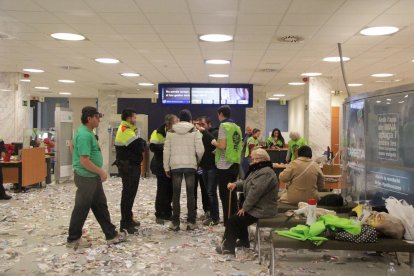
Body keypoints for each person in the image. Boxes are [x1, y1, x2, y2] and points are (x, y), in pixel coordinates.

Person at [67, 106, 126, 248]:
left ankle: (111, 234)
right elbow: (84, 160)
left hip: (91, 176)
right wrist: (101, 171)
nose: (99, 119)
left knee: (100, 205)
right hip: (86, 177)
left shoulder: (87, 132)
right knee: (81, 207)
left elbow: (71, 146)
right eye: (97, 117)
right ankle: (73, 238)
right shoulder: (84, 135)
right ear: (89, 118)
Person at [216, 148, 278, 254]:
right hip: (256, 206)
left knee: (233, 220)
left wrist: (245, 207)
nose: (253, 161)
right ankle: (244, 241)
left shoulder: (266, 172)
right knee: (238, 217)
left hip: (263, 209)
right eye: (252, 159)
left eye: (256, 159)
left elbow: (255, 192)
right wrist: (235, 184)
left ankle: (227, 248)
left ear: (264, 159)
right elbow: (247, 183)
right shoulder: (258, 169)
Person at [164, 109, 204, 231]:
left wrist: (166, 167)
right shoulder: (195, 131)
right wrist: (197, 161)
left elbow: (166, 151)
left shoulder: (170, 131)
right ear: (190, 118)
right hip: (190, 166)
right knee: (190, 194)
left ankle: (175, 222)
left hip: (175, 166)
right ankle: (191, 222)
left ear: (180, 119)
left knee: (175, 195)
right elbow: (200, 150)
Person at [114, 108, 146, 234]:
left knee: (130, 194)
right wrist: (141, 143)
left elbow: (140, 143)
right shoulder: (125, 130)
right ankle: (125, 223)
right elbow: (140, 147)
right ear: (128, 118)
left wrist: (141, 142)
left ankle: (128, 219)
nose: (135, 120)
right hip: (128, 167)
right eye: (134, 117)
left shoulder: (129, 130)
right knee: (128, 194)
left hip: (131, 166)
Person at [212, 105, 242, 226]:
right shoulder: (237, 127)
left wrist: (214, 143)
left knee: (224, 194)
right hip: (234, 163)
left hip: (224, 165)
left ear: (221, 114)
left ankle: (228, 221)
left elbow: (222, 146)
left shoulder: (223, 126)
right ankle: (233, 219)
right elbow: (232, 146)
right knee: (232, 193)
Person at [150, 114, 178, 224]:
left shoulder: (176, 133)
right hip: (160, 165)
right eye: (176, 121)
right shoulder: (157, 132)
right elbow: (152, 146)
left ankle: (167, 213)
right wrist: (167, 147)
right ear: (169, 123)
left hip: (172, 165)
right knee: (162, 190)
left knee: (170, 190)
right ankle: (159, 214)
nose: (178, 123)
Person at [195, 116, 220, 226]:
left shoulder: (215, 132)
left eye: (203, 124)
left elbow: (214, 144)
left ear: (209, 124)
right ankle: (209, 213)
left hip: (212, 167)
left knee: (211, 192)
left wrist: (204, 131)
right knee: (206, 192)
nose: (201, 126)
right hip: (203, 167)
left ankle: (215, 217)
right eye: (199, 124)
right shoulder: (201, 135)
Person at [193, 118, 210, 219]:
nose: (198, 126)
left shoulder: (208, 136)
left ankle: (207, 210)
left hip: (204, 167)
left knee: (205, 188)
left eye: (201, 124)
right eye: (196, 124)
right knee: (192, 189)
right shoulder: (192, 135)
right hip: (194, 166)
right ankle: (193, 210)